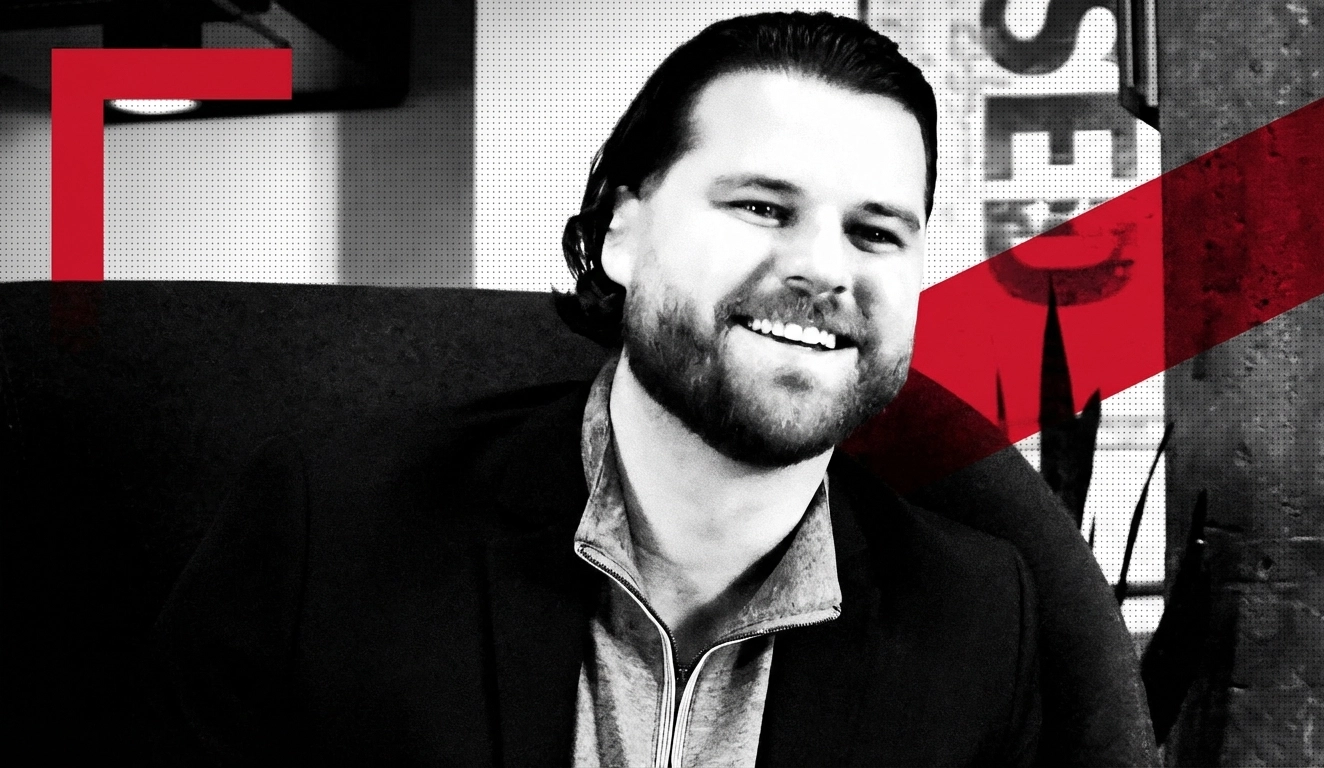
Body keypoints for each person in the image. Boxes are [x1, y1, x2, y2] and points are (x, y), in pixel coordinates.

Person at [155, 12, 1152, 767]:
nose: (824, 268)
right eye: (762, 206)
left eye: (874, 231)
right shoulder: (331, 531)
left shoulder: (977, 616)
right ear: (621, 233)